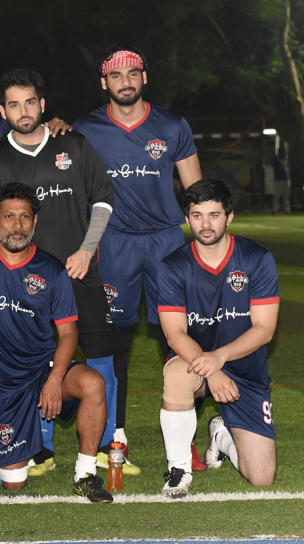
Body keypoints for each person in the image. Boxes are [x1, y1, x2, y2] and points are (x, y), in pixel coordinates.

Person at [0, 68, 117, 476]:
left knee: (99, 358)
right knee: (35, 361)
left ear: (43, 105)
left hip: (78, 270)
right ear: (2, 110)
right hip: (21, 281)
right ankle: (41, 447)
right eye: (14, 104)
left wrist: (86, 251)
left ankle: (105, 444)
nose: (24, 110)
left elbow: (102, 201)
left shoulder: (73, 144)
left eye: (30, 102)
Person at [73, 46, 201, 471]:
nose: (124, 82)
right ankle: (115, 437)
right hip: (115, 244)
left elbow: (195, 192)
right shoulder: (85, 129)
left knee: (178, 340)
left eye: (132, 74)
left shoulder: (172, 125)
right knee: (116, 343)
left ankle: (187, 439)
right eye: (115, 76)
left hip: (166, 244)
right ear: (103, 84)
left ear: (144, 78)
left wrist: (205, 249)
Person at [0, 182, 112, 503]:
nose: (17, 226)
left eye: (25, 217)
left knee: (93, 383)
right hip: (1, 386)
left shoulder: (51, 270)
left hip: (43, 370)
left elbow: (69, 333)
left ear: (35, 222)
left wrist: (55, 380)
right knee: (14, 483)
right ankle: (15, 456)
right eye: (9, 217)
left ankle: (85, 475)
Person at [157, 179, 279, 498]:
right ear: (187, 219)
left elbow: (264, 329)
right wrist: (212, 369)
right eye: (197, 215)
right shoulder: (172, 267)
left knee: (262, 477)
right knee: (177, 375)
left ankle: (220, 437)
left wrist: (220, 358)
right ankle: (179, 469)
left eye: (214, 214)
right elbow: (174, 333)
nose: (206, 224)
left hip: (244, 369)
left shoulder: (257, 259)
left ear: (230, 217)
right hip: (195, 361)